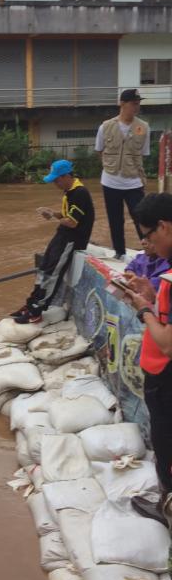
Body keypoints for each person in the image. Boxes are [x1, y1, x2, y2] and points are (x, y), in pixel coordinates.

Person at [124, 193, 172, 532]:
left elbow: (168, 343)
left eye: (149, 234)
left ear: (165, 227)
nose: (147, 242)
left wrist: (142, 309)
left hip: (165, 375)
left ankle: (168, 506)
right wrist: (153, 298)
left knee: (166, 441)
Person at [11, 159, 94, 324]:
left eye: (56, 180)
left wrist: (51, 218)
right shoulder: (70, 192)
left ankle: (36, 311)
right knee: (44, 268)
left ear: (65, 177)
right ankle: (31, 303)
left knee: (52, 273)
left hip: (72, 239)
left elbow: (72, 222)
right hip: (63, 235)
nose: (55, 184)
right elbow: (66, 216)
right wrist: (53, 213)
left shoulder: (80, 193)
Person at [95, 88, 151, 261]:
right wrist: (111, 166)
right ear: (122, 104)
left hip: (134, 182)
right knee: (115, 219)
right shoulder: (106, 127)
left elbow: (143, 153)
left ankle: (149, 253)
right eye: (134, 104)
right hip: (110, 182)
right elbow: (99, 151)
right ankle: (120, 252)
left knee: (141, 218)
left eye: (138, 104)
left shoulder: (143, 127)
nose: (136, 107)